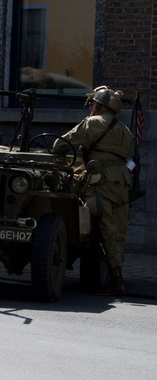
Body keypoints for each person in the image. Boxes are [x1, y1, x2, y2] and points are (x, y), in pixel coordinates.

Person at [55, 86, 133, 295]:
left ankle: (117, 283)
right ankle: (116, 276)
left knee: (101, 229)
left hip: (101, 183)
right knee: (116, 231)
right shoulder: (125, 130)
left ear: (99, 105)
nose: (90, 107)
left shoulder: (92, 123)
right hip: (122, 184)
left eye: (92, 104)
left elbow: (60, 145)